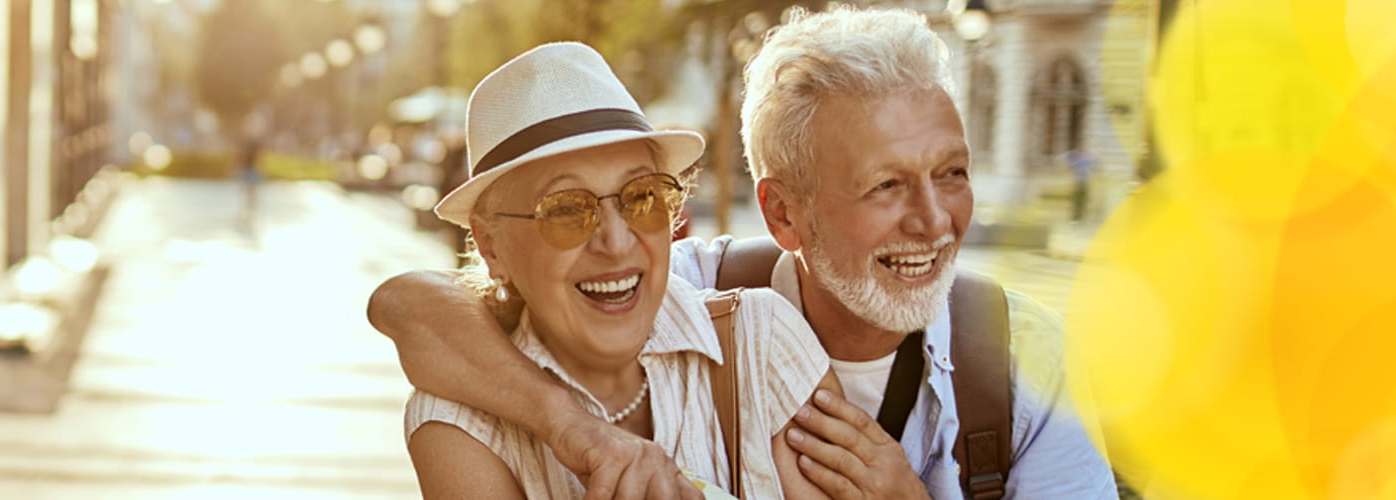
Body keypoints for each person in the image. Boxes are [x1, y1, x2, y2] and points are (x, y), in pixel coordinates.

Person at [369, 7, 1118, 499]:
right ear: (782, 213)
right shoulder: (688, 297)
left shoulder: (1022, 359)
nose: (933, 221)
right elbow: (408, 303)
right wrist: (579, 433)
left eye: (952, 174)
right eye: (885, 185)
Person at [400, 42, 841, 499]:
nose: (616, 242)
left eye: (642, 197)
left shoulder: (762, 340)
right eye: (566, 210)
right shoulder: (459, 423)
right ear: (490, 246)